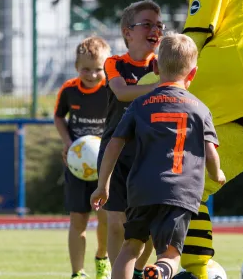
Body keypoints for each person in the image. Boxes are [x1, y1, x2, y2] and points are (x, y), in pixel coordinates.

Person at [91, 33, 226, 279]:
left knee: (130, 247)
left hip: (141, 190)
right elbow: (210, 152)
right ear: (193, 74)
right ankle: (160, 271)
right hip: (180, 192)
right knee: (170, 253)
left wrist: (103, 186)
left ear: (155, 67)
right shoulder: (200, 108)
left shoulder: (140, 104)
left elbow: (114, 144)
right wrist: (217, 174)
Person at [98, 0, 165, 274]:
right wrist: (162, 86)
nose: (156, 30)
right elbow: (122, 93)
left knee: (146, 228)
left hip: (149, 153)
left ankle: (135, 271)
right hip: (116, 152)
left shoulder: (164, 66)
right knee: (116, 223)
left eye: (159, 25)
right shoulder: (114, 63)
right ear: (127, 32)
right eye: (147, 24)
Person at [54, 36, 112, 279]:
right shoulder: (68, 90)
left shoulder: (112, 89)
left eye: (98, 69)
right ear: (77, 67)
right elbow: (59, 117)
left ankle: (102, 257)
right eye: (85, 69)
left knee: (106, 218)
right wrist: (68, 143)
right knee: (78, 219)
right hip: (77, 168)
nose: (92, 74)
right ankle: (78, 273)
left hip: (105, 167)